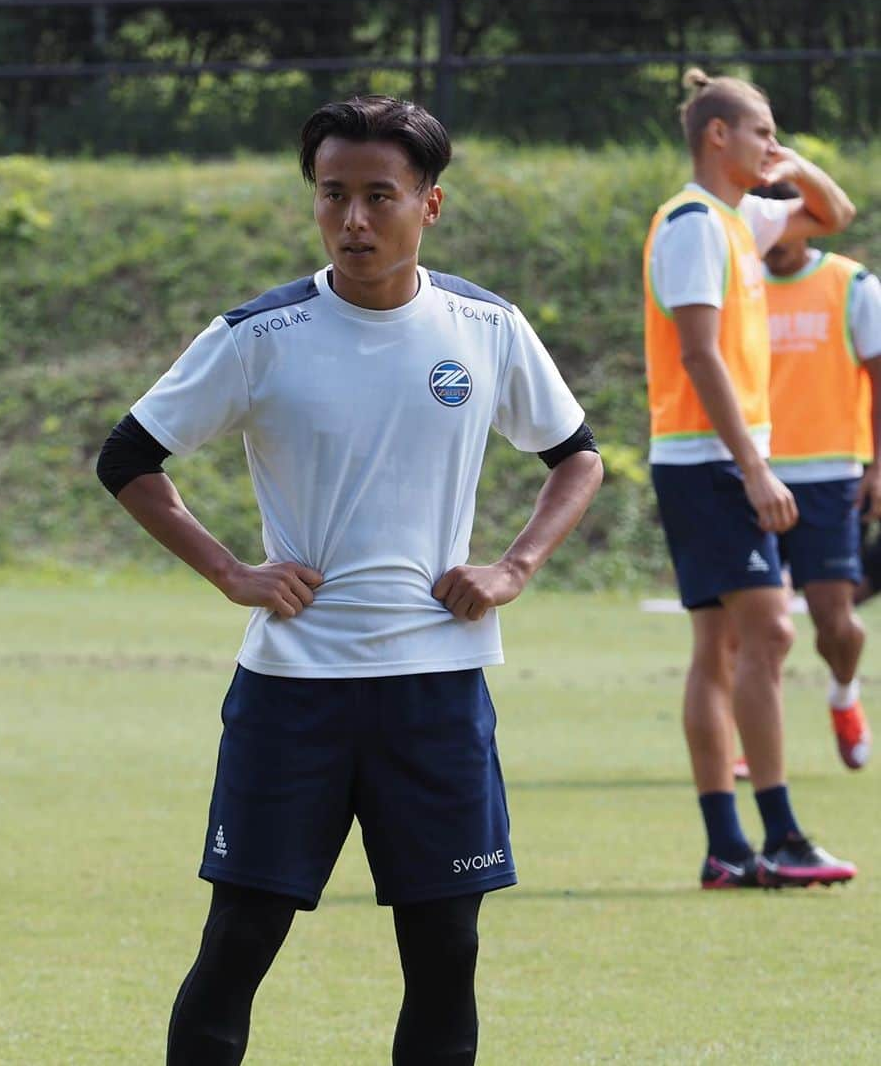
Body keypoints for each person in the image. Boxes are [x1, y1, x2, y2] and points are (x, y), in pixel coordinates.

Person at [96, 95, 603, 1065]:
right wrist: (233, 572)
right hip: (294, 694)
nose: (354, 219)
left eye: (381, 195)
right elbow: (129, 457)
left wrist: (512, 566)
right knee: (239, 940)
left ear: (431, 204)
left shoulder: (486, 328)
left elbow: (577, 457)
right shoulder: (259, 336)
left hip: (436, 692)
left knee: (446, 950)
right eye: (333, 195)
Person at [643, 68, 858, 889]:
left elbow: (834, 213)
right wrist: (755, 467)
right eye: (761, 131)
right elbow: (699, 353)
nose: (773, 146)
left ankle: (731, 847)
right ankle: (776, 833)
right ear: (716, 136)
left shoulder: (740, 222)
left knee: (724, 642)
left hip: (711, 461)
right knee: (768, 633)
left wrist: (791, 160)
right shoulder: (696, 224)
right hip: (710, 463)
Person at [753, 179, 880, 770]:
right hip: (753, 471)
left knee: (839, 626)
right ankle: (755, 742)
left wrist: (877, 467)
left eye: (786, 220)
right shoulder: (736, 284)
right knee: (758, 623)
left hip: (830, 476)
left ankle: (844, 694)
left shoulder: (852, 286)